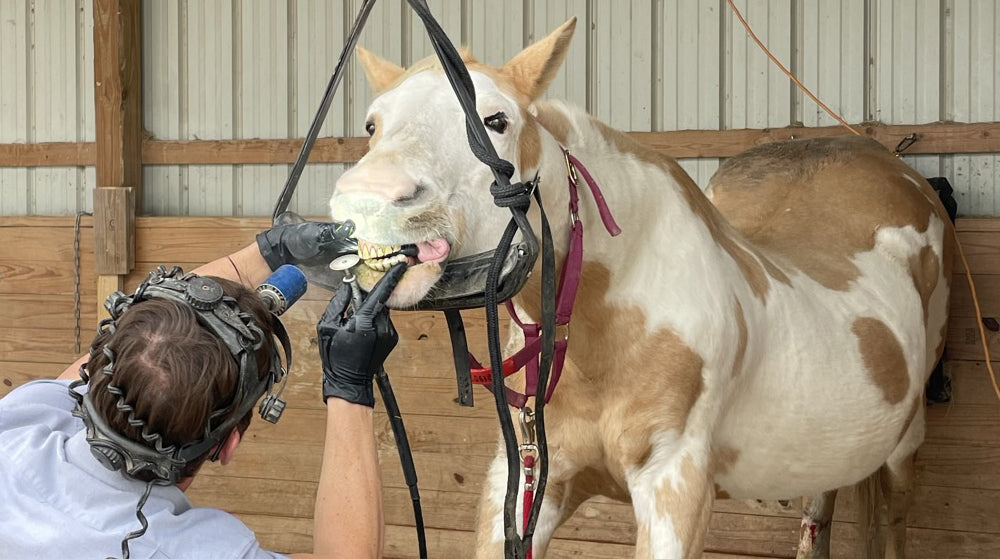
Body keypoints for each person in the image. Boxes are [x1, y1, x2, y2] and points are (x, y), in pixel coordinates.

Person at [0, 220, 404, 559]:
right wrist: (350, 388)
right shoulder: (189, 550)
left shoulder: (16, 432)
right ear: (227, 445)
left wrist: (267, 251)